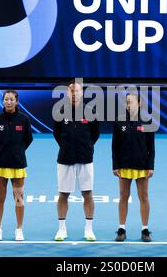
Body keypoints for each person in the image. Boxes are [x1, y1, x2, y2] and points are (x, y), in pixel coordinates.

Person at [53, 80, 100, 241]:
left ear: (82, 93)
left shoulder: (90, 111)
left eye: (77, 91)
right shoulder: (60, 112)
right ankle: (61, 229)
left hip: (85, 159)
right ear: (67, 93)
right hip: (65, 159)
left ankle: (88, 229)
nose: (74, 94)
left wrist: (85, 146)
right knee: (63, 194)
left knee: (87, 193)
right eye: (71, 91)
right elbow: (57, 134)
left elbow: (95, 135)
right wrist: (67, 147)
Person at [0, 90, 33, 241]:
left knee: (19, 198)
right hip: (0, 164)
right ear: (3, 101)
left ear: (16, 101)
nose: (9, 102)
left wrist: (18, 151)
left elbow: (28, 139)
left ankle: (19, 229)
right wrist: (4, 151)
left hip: (18, 164)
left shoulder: (24, 119)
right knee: (0, 198)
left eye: (11, 99)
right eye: (6, 99)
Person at [112, 93, 155, 242]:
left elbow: (151, 147)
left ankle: (145, 229)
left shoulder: (147, 121)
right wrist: (115, 165)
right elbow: (114, 146)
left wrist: (150, 166)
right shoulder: (119, 121)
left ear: (140, 104)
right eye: (127, 102)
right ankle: (122, 228)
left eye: (132, 102)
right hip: (124, 165)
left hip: (142, 165)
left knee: (143, 196)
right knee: (123, 196)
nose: (129, 105)